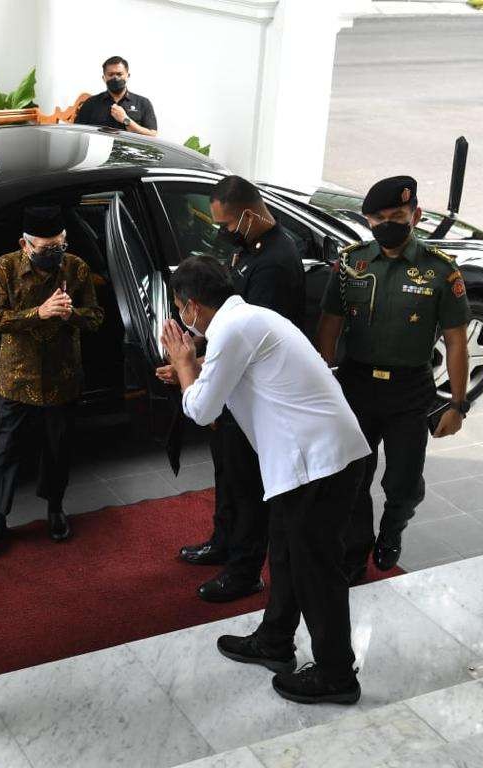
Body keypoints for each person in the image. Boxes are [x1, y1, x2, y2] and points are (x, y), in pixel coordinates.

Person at [161, 255, 370, 705]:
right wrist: (192, 369)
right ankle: (274, 640)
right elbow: (224, 384)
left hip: (317, 464)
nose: (180, 317)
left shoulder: (234, 330)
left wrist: (183, 364)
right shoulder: (249, 317)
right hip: (313, 460)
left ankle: (337, 674)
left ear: (190, 306)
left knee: (316, 569)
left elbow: (201, 410)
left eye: (180, 308)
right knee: (286, 555)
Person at [317, 175, 470, 582]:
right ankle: (354, 552)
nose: (388, 224)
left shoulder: (440, 271)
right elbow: (330, 325)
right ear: (368, 221)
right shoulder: (352, 263)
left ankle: (392, 530)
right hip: (356, 387)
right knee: (352, 478)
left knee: (403, 483)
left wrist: (457, 405)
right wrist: (322, 381)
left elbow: (456, 341)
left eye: (397, 216)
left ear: (416, 215)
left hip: (409, 391)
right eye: (378, 218)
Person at [165, 175, 306, 603]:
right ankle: (223, 541)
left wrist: (192, 366)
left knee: (247, 487)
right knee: (227, 474)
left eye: (226, 225)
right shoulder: (248, 250)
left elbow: (248, 344)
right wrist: (195, 364)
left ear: (248, 214)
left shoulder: (275, 264)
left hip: (254, 394)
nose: (223, 233)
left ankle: (244, 570)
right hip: (231, 382)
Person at [0, 205, 104, 547]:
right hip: (16, 377)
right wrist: (40, 312)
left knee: (58, 448)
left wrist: (69, 314)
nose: (55, 254)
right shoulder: (4, 267)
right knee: (6, 448)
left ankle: (55, 509)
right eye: (47, 249)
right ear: (25, 244)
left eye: (60, 246)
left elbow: (94, 318)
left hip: (61, 376)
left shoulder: (76, 268)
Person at [75, 56, 158, 136]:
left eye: (119, 74)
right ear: (104, 78)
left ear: (127, 76)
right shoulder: (91, 103)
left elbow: (152, 134)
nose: (115, 78)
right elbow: (77, 131)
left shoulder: (143, 103)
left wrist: (126, 120)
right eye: (111, 74)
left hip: (128, 150)